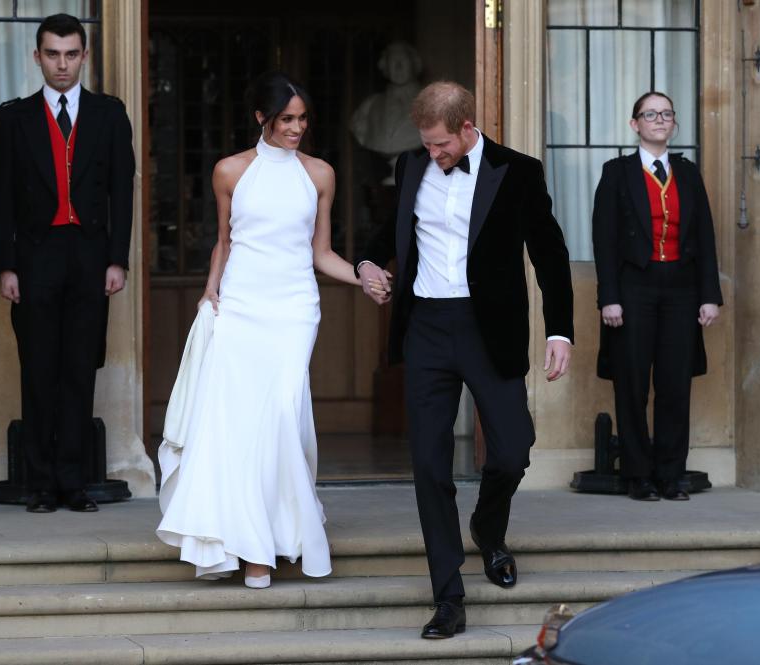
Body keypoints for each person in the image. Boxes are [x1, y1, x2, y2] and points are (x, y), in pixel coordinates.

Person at [356, 82, 574, 639]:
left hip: (488, 331)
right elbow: (385, 234)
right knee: (429, 465)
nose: (433, 155)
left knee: (512, 449)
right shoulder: (410, 167)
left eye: (441, 145)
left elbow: (549, 254)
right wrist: (365, 263)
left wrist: (560, 332)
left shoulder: (517, 172)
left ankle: (488, 528)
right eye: (426, 145)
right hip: (426, 327)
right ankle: (448, 596)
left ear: (467, 127)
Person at [156, 72, 365, 589]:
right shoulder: (229, 170)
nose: (297, 128)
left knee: (279, 418)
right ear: (260, 118)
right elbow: (224, 241)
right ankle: (250, 548)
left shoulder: (319, 174)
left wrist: (363, 275)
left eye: (302, 119)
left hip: (294, 310)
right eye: (286, 119)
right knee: (237, 425)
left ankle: (273, 541)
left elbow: (321, 252)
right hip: (241, 305)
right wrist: (210, 292)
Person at [0, 13, 136, 514]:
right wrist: (6, 266)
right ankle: (41, 484)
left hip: (91, 258)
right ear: (37, 57)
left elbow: (123, 191)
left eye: (71, 54)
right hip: (34, 258)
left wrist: (118, 259)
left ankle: (73, 482)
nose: (62, 64)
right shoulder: (14, 117)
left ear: (85, 56)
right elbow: (0, 197)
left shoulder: (110, 115)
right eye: (52, 54)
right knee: (38, 369)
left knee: (79, 368)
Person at [592, 91, 723, 502]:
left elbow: (704, 236)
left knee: (674, 385)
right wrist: (608, 297)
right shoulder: (617, 172)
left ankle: (670, 474)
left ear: (674, 123)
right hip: (634, 289)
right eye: (651, 114)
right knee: (632, 384)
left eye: (667, 113)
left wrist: (709, 296)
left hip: (682, 290)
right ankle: (638, 475)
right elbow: (604, 239)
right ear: (635, 125)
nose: (660, 120)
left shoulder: (687, 173)